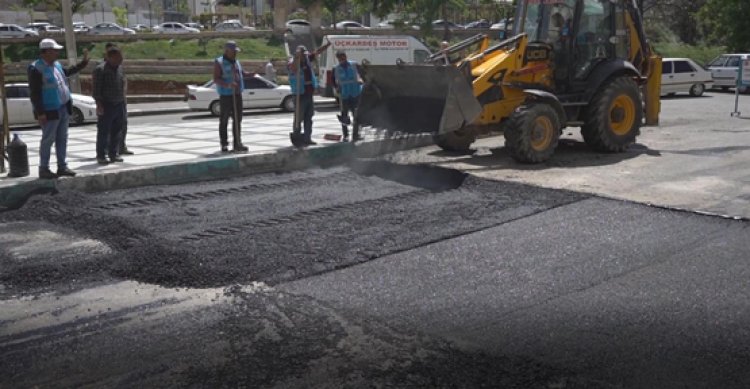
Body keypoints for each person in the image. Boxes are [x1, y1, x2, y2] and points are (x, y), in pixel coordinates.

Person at [28, 38, 90, 179]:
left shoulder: (56, 65)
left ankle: (62, 166)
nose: (57, 53)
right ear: (47, 52)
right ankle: (44, 168)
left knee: (62, 138)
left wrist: (83, 64)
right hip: (49, 111)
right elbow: (34, 93)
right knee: (48, 140)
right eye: (55, 50)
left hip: (62, 107)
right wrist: (40, 113)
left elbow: (67, 72)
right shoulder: (36, 68)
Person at [288, 42, 330, 146]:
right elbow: (293, 69)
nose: (305, 56)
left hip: (308, 94)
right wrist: (297, 58)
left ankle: (307, 138)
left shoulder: (307, 60)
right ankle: (297, 137)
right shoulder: (292, 63)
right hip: (299, 94)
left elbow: (317, 52)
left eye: (305, 54)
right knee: (298, 118)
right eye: (303, 54)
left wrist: (327, 45)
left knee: (309, 117)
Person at [93, 44, 127, 165]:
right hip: (106, 105)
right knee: (103, 131)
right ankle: (101, 155)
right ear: (111, 57)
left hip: (119, 104)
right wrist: (99, 104)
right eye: (118, 58)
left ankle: (114, 153)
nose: (121, 60)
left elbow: (122, 84)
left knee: (117, 131)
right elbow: (97, 89)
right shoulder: (100, 70)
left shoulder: (119, 68)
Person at [213, 40, 248, 153]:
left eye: (236, 51)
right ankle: (224, 144)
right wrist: (228, 84)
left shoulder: (236, 62)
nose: (235, 53)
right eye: (233, 51)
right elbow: (216, 79)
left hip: (237, 94)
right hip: (226, 95)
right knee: (224, 120)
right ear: (227, 51)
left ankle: (237, 143)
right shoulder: (219, 62)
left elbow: (242, 73)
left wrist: (252, 73)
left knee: (238, 119)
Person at [332, 50, 362, 142]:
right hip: (344, 95)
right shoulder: (336, 68)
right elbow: (332, 80)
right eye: (340, 58)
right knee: (344, 116)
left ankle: (356, 134)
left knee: (356, 116)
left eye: (343, 57)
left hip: (355, 93)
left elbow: (362, 74)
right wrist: (336, 87)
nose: (342, 59)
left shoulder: (354, 65)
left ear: (346, 56)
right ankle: (345, 135)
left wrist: (361, 81)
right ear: (338, 59)